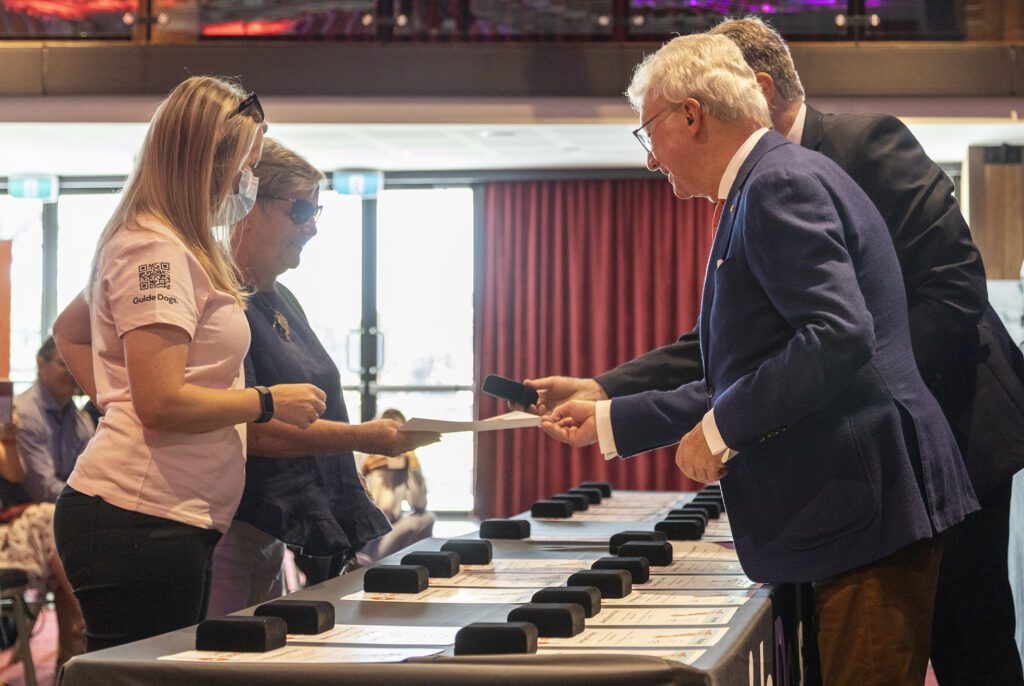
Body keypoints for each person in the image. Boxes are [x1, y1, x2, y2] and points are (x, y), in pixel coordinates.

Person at [529, 17, 1024, 685]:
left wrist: (725, 427)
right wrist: (612, 412)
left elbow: (842, 337)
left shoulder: (777, 183)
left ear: (694, 115)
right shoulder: (767, 181)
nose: (651, 157)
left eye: (651, 133)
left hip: (877, 490)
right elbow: (745, 367)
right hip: (861, 496)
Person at [50, 77, 327, 652]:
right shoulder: (155, 251)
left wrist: (116, 395)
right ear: (209, 162)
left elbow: (70, 332)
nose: (247, 182)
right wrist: (268, 400)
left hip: (166, 516)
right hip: (139, 516)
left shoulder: (173, 243)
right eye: (246, 167)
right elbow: (160, 401)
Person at [206, 139, 438, 617]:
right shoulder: (219, 297)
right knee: (220, 661)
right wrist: (363, 437)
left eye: (317, 211)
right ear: (249, 207)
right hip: (229, 522)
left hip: (272, 528)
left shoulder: (282, 298)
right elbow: (249, 429)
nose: (311, 225)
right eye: (300, 209)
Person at [0, 421, 85, 667]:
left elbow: (14, 473)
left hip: (9, 531)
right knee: (50, 520)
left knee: (55, 537)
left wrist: (7, 438)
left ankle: (70, 658)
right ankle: (85, 621)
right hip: (10, 537)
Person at [0, 337, 94, 505]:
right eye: (64, 364)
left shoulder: (82, 421)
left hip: (68, 506)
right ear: (41, 364)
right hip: (33, 510)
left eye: (76, 366)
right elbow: (40, 488)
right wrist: (85, 502)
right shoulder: (25, 413)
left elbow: (93, 474)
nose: (72, 373)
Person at [355, 408, 435, 566]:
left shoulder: (404, 462)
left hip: (389, 527)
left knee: (426, 518)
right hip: (364, 527)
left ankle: (398, 563)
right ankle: (369, 561)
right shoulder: (363, 456)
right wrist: (366, 469)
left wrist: (413, 465)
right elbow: (349, 498)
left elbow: (419, 505)